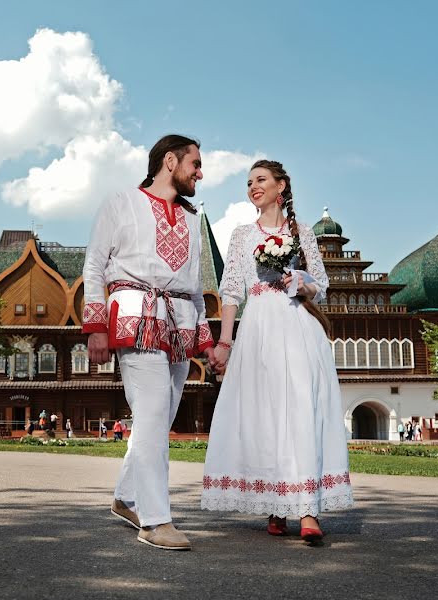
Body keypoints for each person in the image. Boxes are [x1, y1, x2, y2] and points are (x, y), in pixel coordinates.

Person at [201, 160, 353, 543]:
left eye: (261, 180)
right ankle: (275, 503)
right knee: (265, 413)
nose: (253, 186)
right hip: (259, 328)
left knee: (301, 408)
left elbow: (322, 284)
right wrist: (225, 341)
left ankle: (306, 509)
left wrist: (301, 283)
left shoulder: (303, 233)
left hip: (297, 324)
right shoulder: (241, 234)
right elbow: (232, 290)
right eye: (249, 182)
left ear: (281, 186)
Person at [82, 134, 216, 551]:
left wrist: (206, 343)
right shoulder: (120, 201)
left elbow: (195, 287)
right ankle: (155, 521)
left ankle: (126, 497)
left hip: (178, 324)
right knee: (154, 413)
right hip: (138, 316)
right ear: (170, 161)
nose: (200, 172)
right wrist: (96, 326)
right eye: (195, 163)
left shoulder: (193, 220)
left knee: (156, 419)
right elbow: (94, 265)